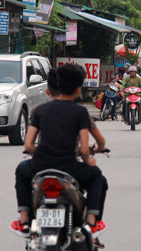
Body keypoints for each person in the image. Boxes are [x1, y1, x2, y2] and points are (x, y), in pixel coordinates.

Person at [11, 64, 106, 240]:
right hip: (68, 169)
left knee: (21, 170)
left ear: (56, 87)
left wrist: (41, 152)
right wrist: (89, 161)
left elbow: (28, 145)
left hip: (40, 167)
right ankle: (92, 222)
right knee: (96, 176)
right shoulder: (80, 111)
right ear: (78, 90)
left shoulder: (40, 110)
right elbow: (85, 149)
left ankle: (24, 220)